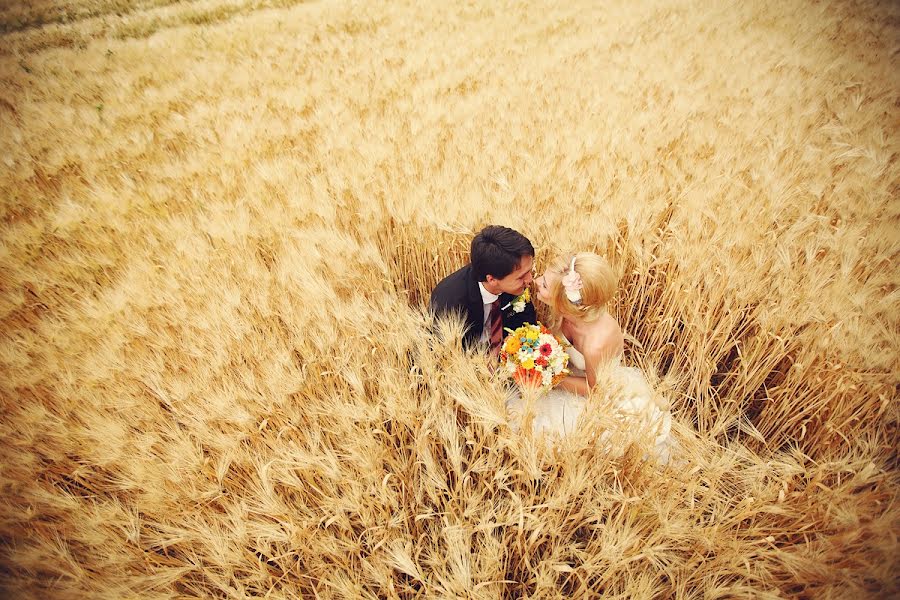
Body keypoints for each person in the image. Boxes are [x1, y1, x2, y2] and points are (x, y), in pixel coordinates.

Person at [508, 251, 674, 463]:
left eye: (546, 284)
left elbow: (595, 390)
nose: (537, 281)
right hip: (570, 375)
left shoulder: (595, 343)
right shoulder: (569, 313)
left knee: (540, 432)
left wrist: (549, 376)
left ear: (564, 299)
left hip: (594, 394)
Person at [430, 225, 537, 353]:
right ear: (492, 279)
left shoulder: (515, 284)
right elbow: (448, 355)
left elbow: (527, 323)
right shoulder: (450, 302)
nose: (530, 279)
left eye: (529, 271)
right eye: (521, 277)